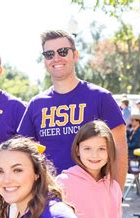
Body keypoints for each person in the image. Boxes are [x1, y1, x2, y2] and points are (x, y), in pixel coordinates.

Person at [17, 30, 127, 190]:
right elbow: (23, 154)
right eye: (49, 54)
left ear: (75, 55)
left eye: (62, 51)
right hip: (49, 197)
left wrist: (117, 195)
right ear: (45, 60)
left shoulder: (101, 97)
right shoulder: (36, 104)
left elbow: (119, 150)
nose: (56, 58)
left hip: (94, 195)